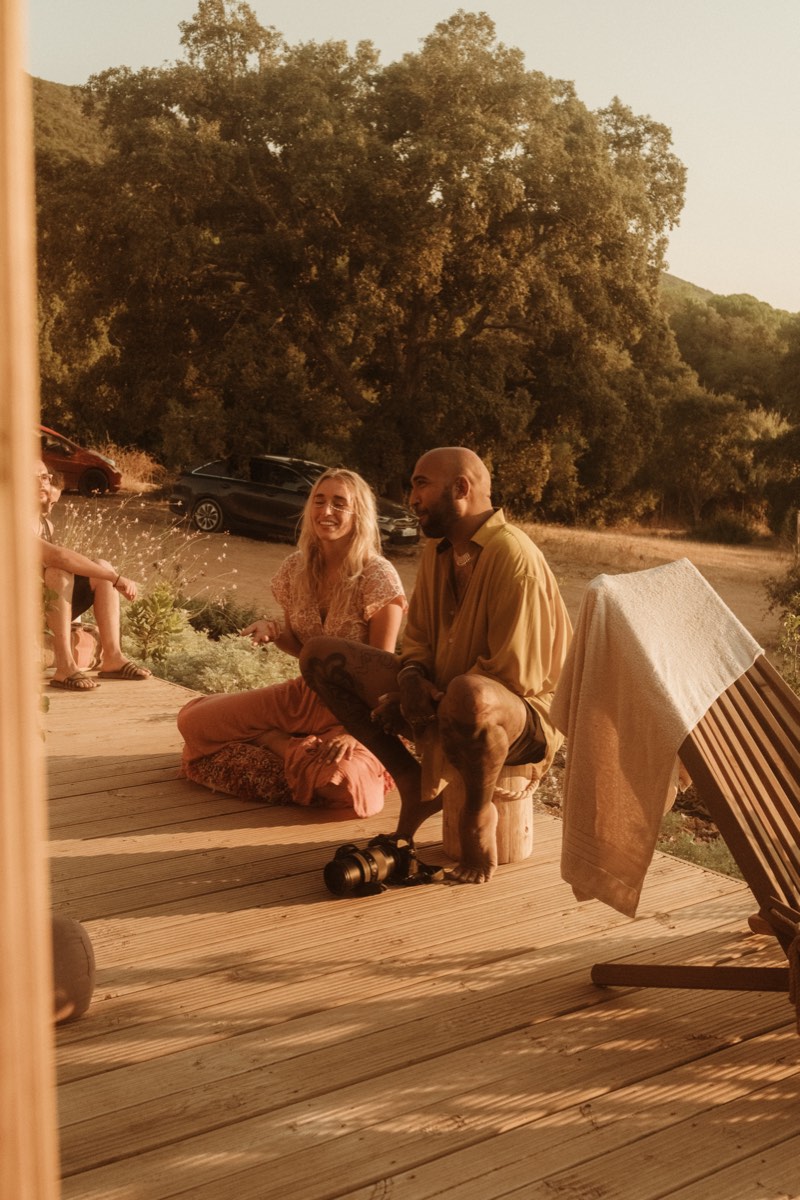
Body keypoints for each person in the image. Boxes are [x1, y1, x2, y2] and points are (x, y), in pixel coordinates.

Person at [299, 446, 572, 883]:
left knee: (470, 694)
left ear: (461, 489)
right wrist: (408, 680)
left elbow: (513, 675)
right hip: (448, 696)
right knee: (319, 656)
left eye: (421, 484)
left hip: (523, 719)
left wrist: (425, 695)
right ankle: (411, 782)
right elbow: (419, 640)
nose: (412, 497)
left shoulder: (512, 556)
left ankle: (477, 815)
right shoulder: (441, 551)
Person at [177, 468, 407, 816]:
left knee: (342, 782)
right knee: (193, 721)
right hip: (305, 695)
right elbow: (304, 649)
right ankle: (281, 743)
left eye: (339, 504)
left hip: (357, 709)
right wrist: (274, 631)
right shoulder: (294, 569)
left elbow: (382, 672)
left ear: (359, 514)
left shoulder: (378, 576)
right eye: (319, 501)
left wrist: (353, 733)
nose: (325, 511)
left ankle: (288, 744)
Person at [37, 461, 151, 690]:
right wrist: (115, 578)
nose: (43, 487)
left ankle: (113, 657)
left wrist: (76, 622)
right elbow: (57, 558)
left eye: (44, 478)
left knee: (101, 566)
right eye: (33, 478)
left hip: (41, 605)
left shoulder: (45, 524)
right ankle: (65, 667)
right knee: (64, 571)